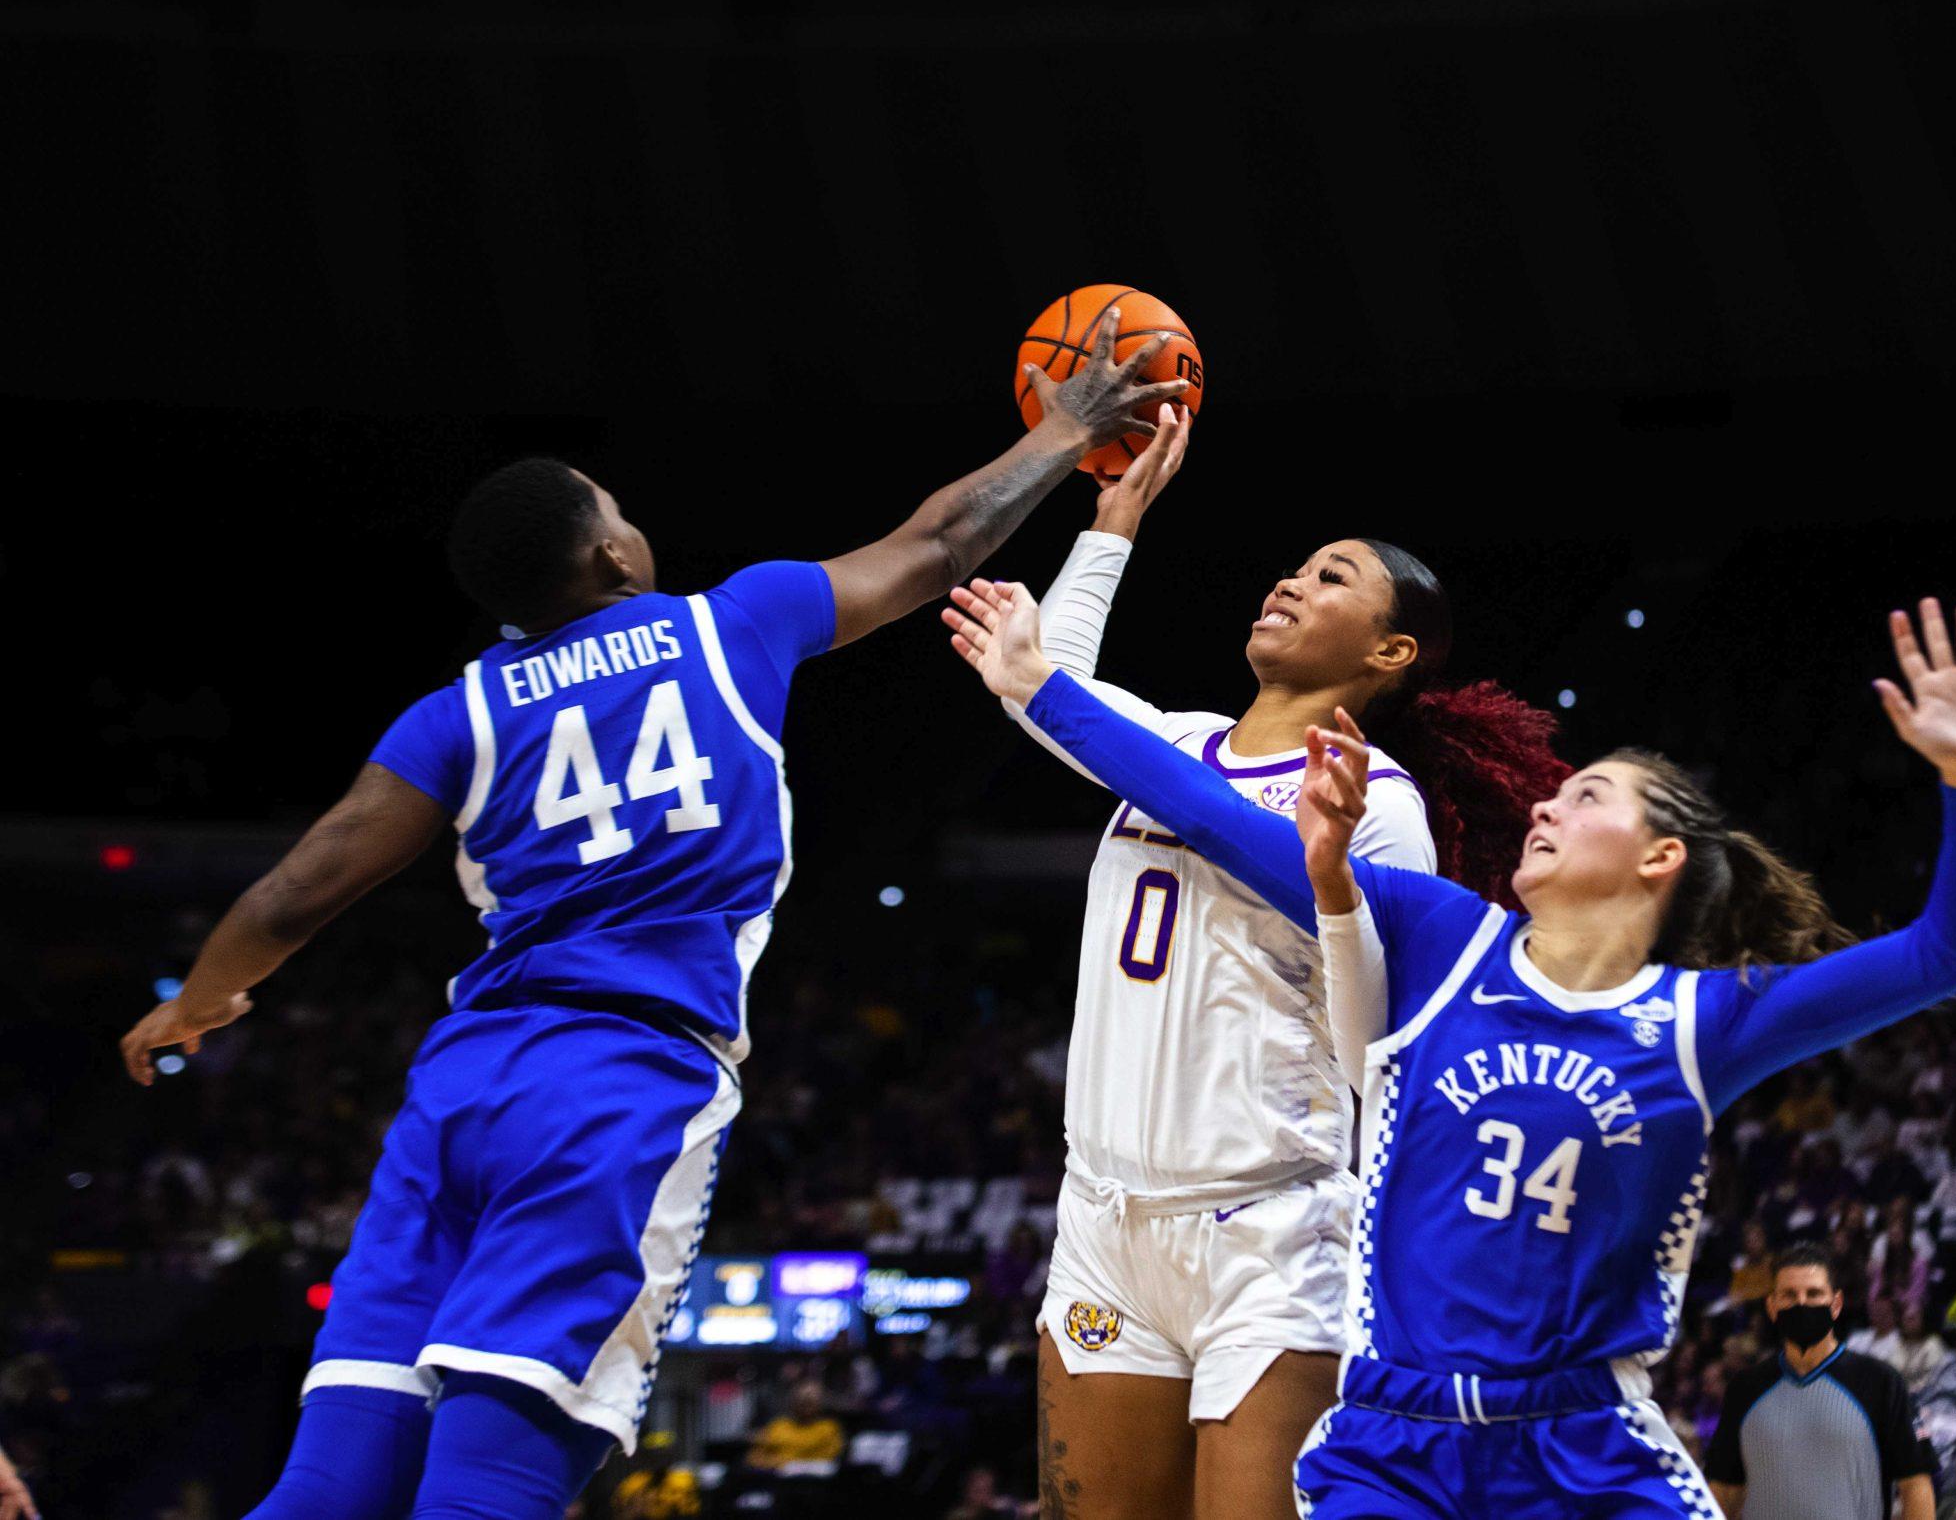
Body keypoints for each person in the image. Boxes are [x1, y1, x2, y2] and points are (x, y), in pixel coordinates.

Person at [113, 331, 1186, 1520]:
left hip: (464, 1082)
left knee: (329, 1480)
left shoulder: (455, 715)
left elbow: (296, 890)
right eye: (616, 510)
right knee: (495, 1479)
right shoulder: (732, 623)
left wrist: (197, 1003)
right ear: (611, 551)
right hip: (621, 1084)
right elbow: (940, 542)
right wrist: (1063, 430)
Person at [946, 582, 1956, 1517]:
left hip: (1579, 1439)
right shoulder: (1440, 935)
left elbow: (1948, 952)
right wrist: (1039, 689)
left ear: (1660, 859)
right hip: (1398, 1437)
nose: (1547, 804)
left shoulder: (1706, 1021)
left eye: (1586, 794)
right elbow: (1209, 813)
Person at [990, 429, 1568, 1518]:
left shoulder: (1378, 808)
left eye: (1331, 576)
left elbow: (1055, 699)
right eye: (1295, 567)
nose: (1291, 582)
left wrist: (1044, 690)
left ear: (1390, 653)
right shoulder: (1177, 742)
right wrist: (1112, 523)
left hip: (1268, 1232)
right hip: (1104, 1223)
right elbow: (1048, 690)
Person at [1709, 1250, 1941, 1520]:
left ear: (1836, 1303)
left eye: (1814, 1294)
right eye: (1790, 1295)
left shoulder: (1881, 1382)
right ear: (1772, 1307)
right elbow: (1724, 1490)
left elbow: (1915, 1485)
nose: (1802, 1303)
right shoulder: (1745, 1388)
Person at [746, 1382, 845, 1473]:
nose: (804, 1403)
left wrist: (795, 1463)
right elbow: (754, 1458)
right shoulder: (778, 1426)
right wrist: (781, 1463)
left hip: (818, 1482)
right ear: (792, 1402)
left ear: (819, 1403)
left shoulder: (829, 1428)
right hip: (780, 1481)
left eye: (809, 1400)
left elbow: (831, 1458)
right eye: (800, 1399)